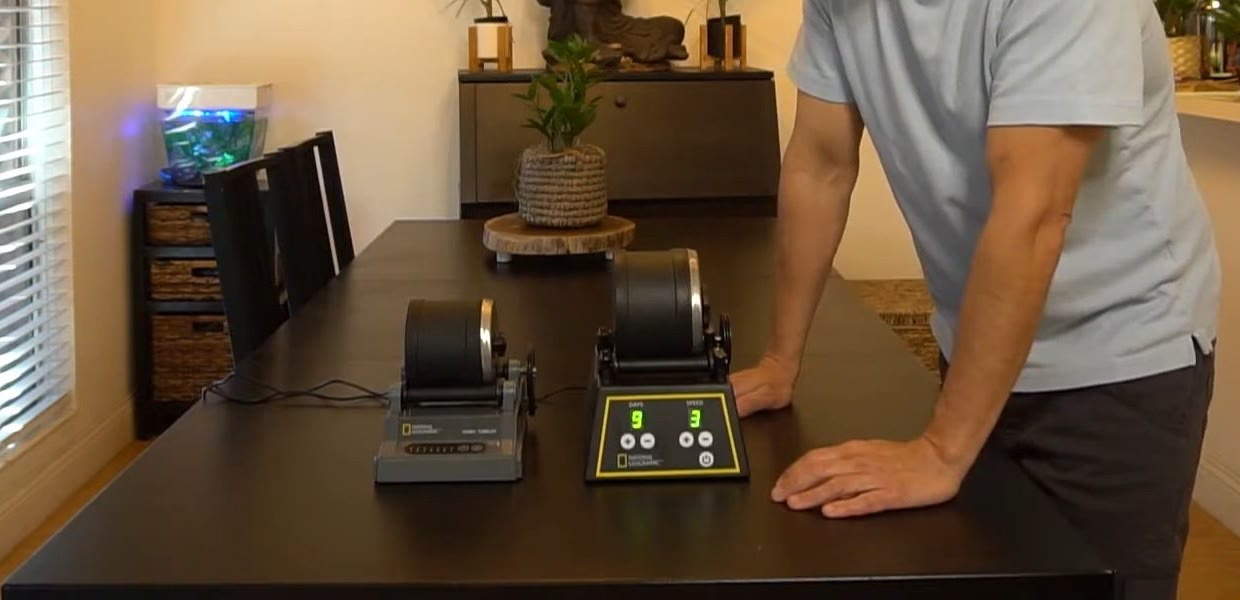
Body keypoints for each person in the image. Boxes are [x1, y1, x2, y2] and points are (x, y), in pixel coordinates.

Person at [731, 2, 1221, 599]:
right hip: (978, 346)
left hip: (1120, 353)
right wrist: (781, 362)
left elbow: (1034, 214)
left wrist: (940, 451)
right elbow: (820, 165)